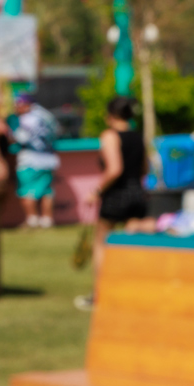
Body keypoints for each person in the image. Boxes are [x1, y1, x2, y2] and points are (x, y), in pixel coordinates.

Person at [75, 97, 155, 311]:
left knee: (101, 243)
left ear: (110, 116)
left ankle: (100, 295)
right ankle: (135, 291)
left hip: (117, 194)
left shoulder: (110, 136)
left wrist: (96, 192)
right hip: (137, 193)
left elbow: (114, 169)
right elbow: (145, 169)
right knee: (134, 242)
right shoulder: (138, 136)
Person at [11, 92, 60, 228]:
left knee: (27, 191)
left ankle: (32, 220)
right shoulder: (46, 115)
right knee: (46, 191)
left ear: (27, 104)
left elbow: (21, 138)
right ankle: (47, 220)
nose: (16, 107)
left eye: (18, 104)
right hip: (49, 159)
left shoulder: (26, 118)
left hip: (31, 160)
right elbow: (57, 131)